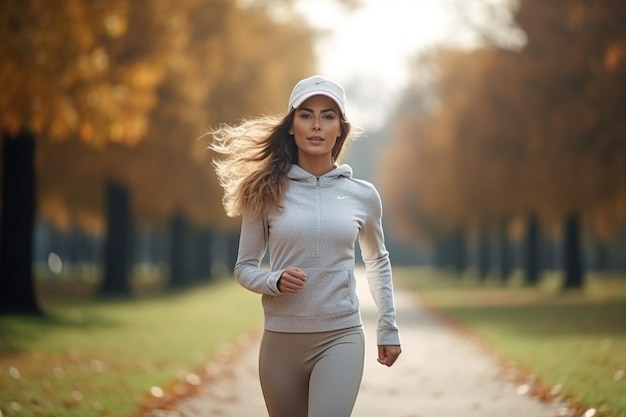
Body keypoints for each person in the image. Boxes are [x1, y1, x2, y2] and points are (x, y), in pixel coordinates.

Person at [210, 75, 401, 417]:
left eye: (328, 116)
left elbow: (377, 261)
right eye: (306, 115)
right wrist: (275, 280)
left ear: (340, 129)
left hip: (340, 337)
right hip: (280, 342)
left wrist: (387, 326)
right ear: (291, 126)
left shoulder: (362, 195)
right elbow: (244, 268)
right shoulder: (264, 190)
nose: (316, 125)